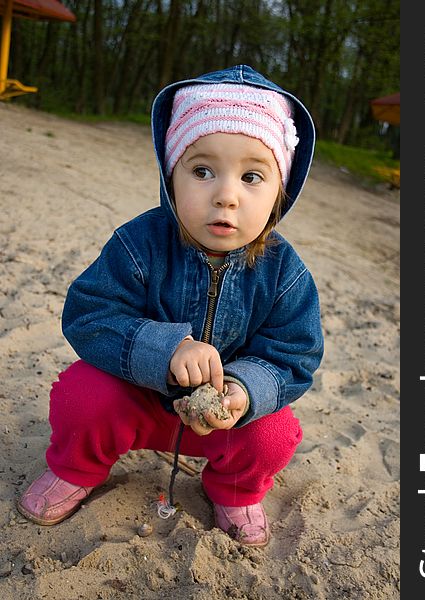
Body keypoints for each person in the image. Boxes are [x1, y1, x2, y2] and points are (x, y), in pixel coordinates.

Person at [17, 64, 323, 547]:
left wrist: (244, 391)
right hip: (135, 400)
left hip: (220, 421)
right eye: (202, 170)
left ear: (279, 192)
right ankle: (77, 469)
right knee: (81, 394)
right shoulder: (139, 243)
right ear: (171, 175)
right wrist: (167, 348)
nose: (225, 196)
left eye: (251, 176)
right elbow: (89, 315)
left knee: (276, 434)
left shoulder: (285, 274)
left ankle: (235, 491)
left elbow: (294, 356)